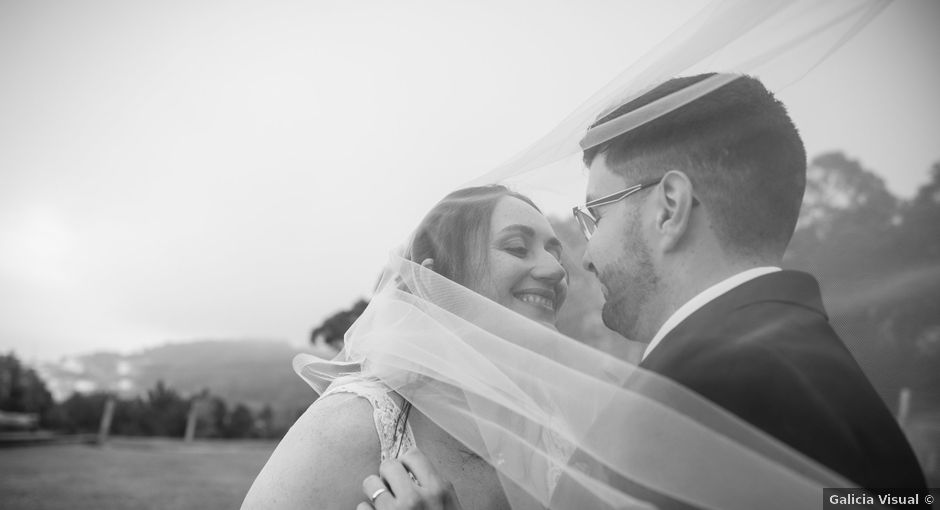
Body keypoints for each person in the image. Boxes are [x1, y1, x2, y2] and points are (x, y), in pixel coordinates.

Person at [358, 74, 928, 510]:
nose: (582, 258)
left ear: (670, 209)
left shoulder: (685, 404)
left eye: (595, 217)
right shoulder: (830, 373)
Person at [240, 185, 569, 510]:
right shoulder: (356, 425)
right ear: (432, 283)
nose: (556, 270)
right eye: (516, 247)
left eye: (556, 254)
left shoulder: (562, 438)